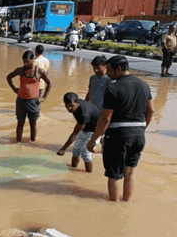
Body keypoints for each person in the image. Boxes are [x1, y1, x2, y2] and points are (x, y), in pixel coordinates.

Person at [87, 56, 154, 202]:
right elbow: (150, 111)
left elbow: (105, 118)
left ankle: (113, 207)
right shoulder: (144, 84)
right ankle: (126, 203)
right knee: (129, 173)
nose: (108, 73)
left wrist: (93, 140)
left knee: (114, 174)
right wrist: (142, 129)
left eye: (110, 70)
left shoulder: (113, 88)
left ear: (119, 69)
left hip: (118, 135)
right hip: (139, 135)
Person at [6, 51, 52, 142]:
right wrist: (14, 89)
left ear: (32, 60)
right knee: (20, 123)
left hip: (33, 102)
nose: (25, 63)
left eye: (27, 61)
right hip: (20, 101)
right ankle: (18, 143)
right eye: (24, 61)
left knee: (33, 124)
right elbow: (8, 77)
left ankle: (32, 143)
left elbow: (49, 83)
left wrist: (43, 97)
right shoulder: (20, 70)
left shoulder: (40, 71)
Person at [57, 92, 101, 173]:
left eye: (71, 106)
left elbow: (74, 134)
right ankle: (73, 170)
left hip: (95, 131)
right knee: (76, 150)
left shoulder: (83, 114)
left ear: (77, 103)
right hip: (86, 127)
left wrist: (64, 148)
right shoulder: (76, 104)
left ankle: (88, 174)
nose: (69, 108)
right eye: (67, 106)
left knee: (85, 153)